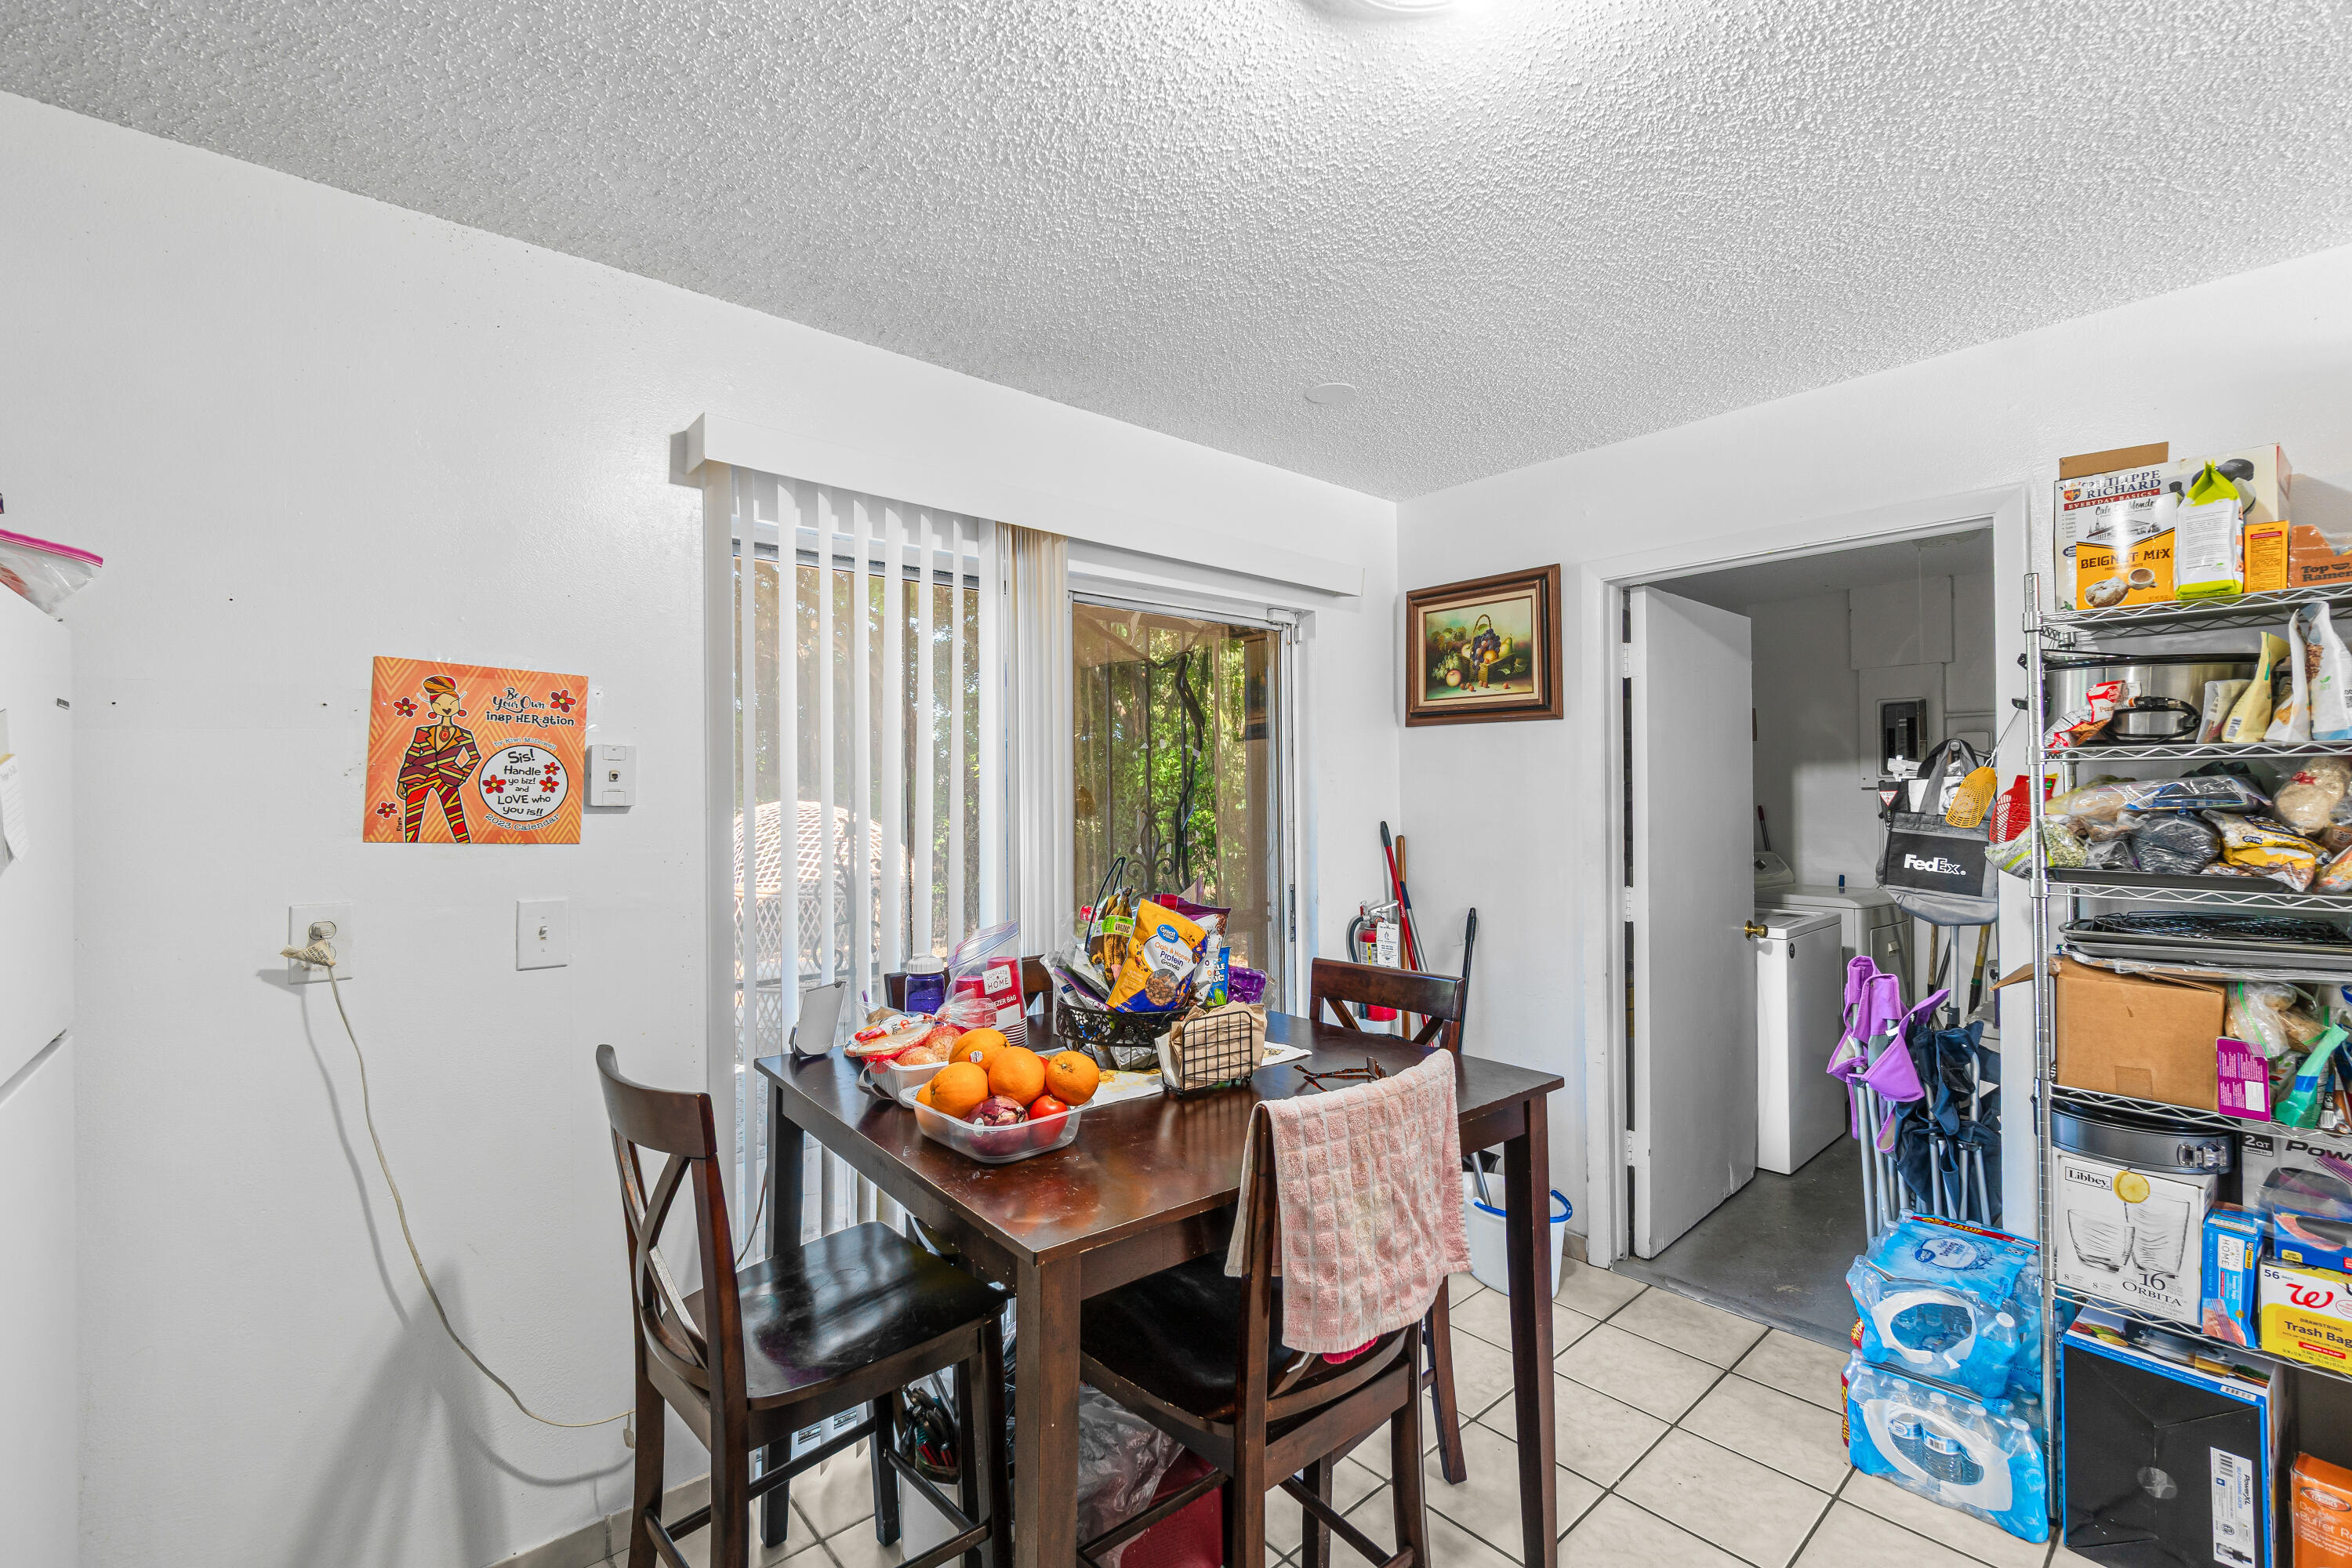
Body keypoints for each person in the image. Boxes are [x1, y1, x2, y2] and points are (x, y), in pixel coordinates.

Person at [397, 675, 482, 842]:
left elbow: (475, 757)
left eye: (451, 703)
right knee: (412, 817)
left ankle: (465, 844)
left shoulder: (465, 735)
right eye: (439, 704)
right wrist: (401, 780)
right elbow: (412, 754)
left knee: (456, 816)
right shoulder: (423, 731)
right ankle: (409, 846)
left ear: (458, 705)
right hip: (418, 777)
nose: (446, 708)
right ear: (433, 707)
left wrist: (462, 775)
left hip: (449, 777)